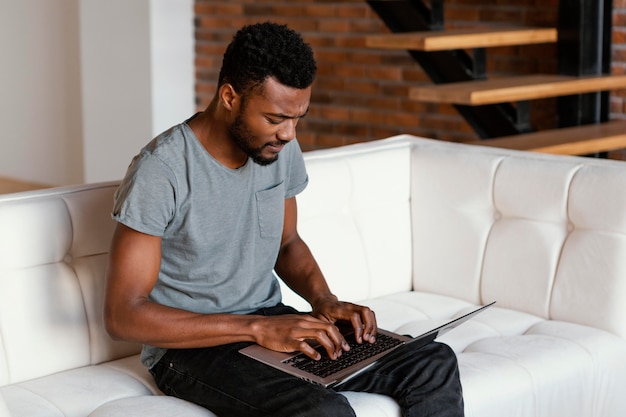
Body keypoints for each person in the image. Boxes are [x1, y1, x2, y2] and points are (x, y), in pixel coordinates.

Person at [104, 22, 465, 417]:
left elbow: (287, 242)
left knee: (431, 361)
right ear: (229, 96)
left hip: (271, 322)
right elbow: (124, 313)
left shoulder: (276, 149)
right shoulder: (163, 170)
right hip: (191, 350)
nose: (289, 134)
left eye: (297, 119)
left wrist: (323, 301)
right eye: (276, 118)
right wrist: (256, 328)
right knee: (323, 411)